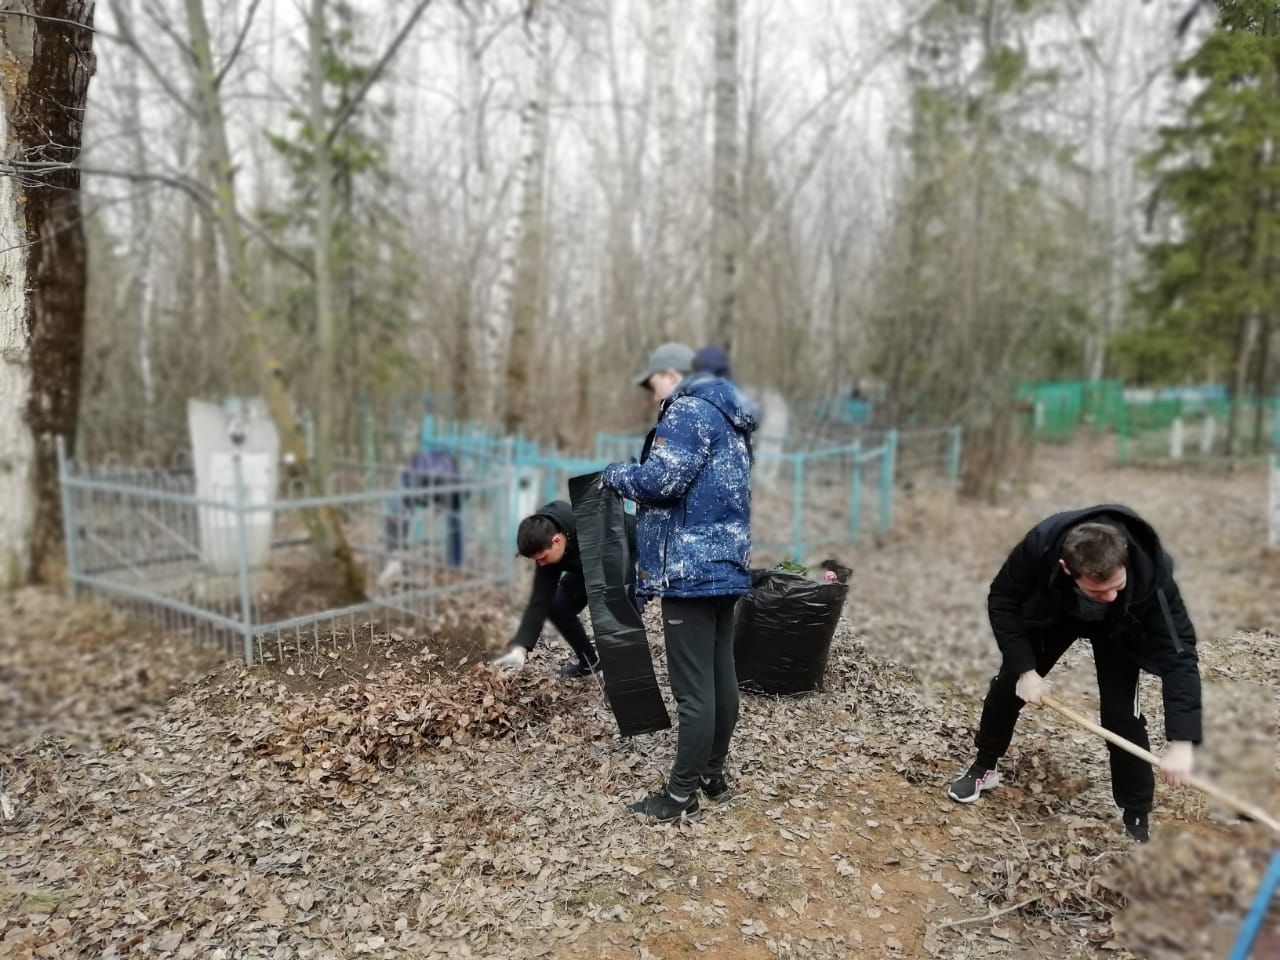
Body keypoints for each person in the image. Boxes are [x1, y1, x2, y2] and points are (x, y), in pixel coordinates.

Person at [947, 506, 1202, 843]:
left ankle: (1136, 813)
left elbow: (1179, 654)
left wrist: (1183, 742)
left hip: (1120, 626)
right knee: (1008, 685)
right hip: (1057, 612)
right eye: (1099, 592)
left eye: (1116, 586)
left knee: (1122, 716)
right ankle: (984, 766)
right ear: (1067, 568)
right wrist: (1026, 670)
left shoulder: (1151, 572)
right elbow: (1003, 600)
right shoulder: (1040, 547)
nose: (1109, 596)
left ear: (1125, 559)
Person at [602, 342, 758, 823]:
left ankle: (680, 795)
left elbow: (659, 484)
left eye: (653, 384)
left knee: (694, 691)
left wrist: (616, 474)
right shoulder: (731, 419)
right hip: (726, 566)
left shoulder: (688, 411)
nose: (653, 397)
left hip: (689, 574)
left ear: (672, 373)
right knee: (720, 677)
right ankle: (713, 776)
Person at [491, 501, 634, 678]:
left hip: (622, 558)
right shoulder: (544, 534)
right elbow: (540, 599)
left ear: (557, 541)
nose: (540, 564)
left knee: (616, 612)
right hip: (584, 567)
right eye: (537, 560)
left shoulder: (590, 521)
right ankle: (589, 662)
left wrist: (637, 584)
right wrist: (520, 648)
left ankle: (627, 676)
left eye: (543, 558)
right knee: (557, 605)